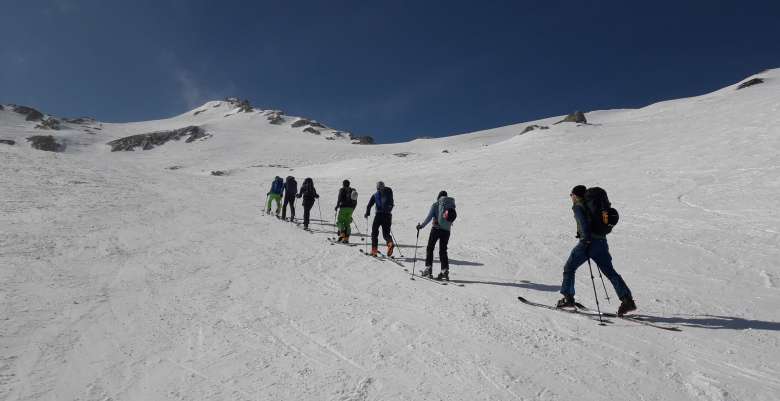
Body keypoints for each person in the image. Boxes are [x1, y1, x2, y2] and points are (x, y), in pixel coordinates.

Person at [558, 185, 636, 316]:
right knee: (610, 272)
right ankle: (627, 300)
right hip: (601, 242)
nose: (571, 197)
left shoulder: (579, 206)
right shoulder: (593, 207)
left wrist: (586, 240)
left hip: (587, 243)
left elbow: (583, 224)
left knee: (569, 268)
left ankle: (568, 299)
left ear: (576, 195)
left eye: (571, 195)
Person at [416, 191, 455, 280]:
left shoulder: (436, 205)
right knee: (443, 250)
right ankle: (444, 270)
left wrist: (421, 226)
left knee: (430, 248)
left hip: (436, 229)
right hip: (447, 231)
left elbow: (429, 217)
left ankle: (428, 268)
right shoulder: (450, 205)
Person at [364, 181, 394, 257]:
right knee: (386, 234)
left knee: (374, 232)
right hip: (388, 215)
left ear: (377, 188)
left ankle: (374, 250)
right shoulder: (389, 192)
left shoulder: (375, 195)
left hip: (379, 215)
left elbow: (369, 205)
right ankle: (390, 243)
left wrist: (367, 213)